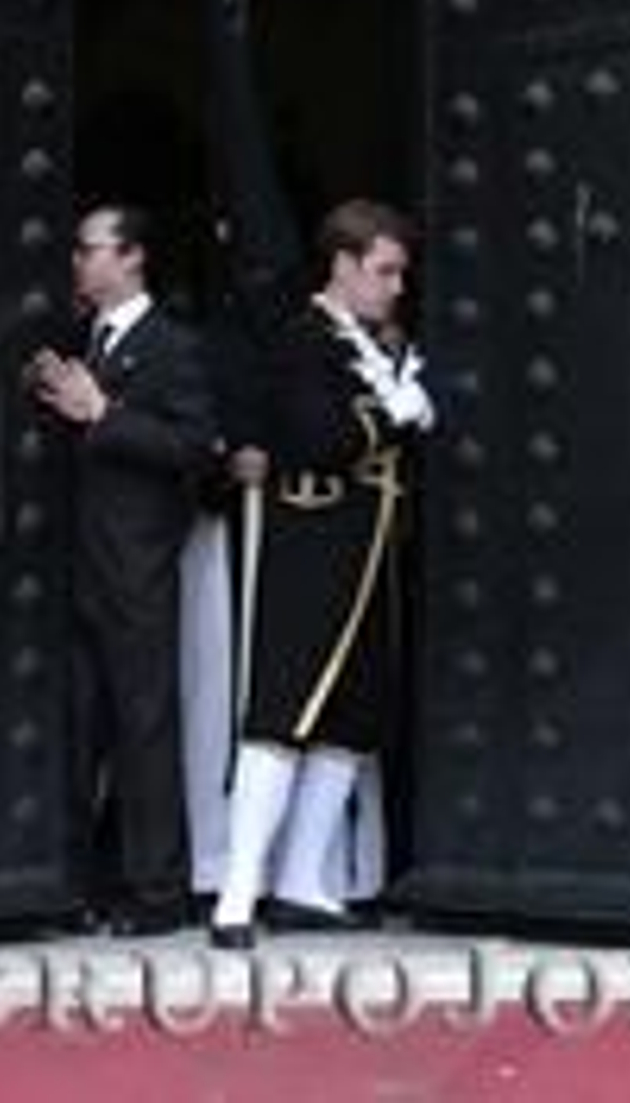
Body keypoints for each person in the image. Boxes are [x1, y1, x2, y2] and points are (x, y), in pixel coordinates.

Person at [208, 198, 434, 947]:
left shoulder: (370, 343)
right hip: (311, 544)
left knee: (349, 719)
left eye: (400, 273)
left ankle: (302, 882)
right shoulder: (304, 338)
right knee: (283, 712)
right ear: (342, 264)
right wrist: (394, 416)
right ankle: (237, 895)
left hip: (367, 551)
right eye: (384, 271)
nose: (396, 287)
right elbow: (319, 437)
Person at [27, 203, 215, 934]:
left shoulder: (173, 344)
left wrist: (104, 414)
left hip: (136, 566)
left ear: (132, 256)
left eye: (89, 248)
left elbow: (194, 448)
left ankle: (158, 895)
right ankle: (75, 886)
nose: (77, 260)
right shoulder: (80, 339)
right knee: (77, 731)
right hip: (74, 562)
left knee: (143, 728)